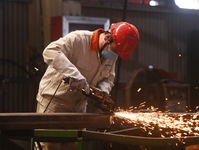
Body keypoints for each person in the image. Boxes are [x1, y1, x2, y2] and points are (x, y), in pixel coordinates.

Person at [36, 21, 139, 150]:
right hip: (55, 102)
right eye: (115, 50)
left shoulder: (111, 53)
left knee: (73, 146)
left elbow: (108, 78)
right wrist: (74, 75)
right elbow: (50, 51)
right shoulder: (78, 40)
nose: (114, 55)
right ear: (107, 38)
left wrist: (102, 93)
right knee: (50, 146)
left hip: (78, 106)